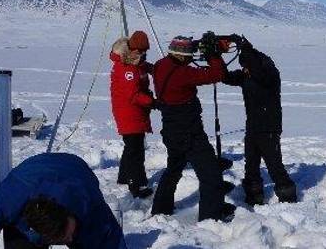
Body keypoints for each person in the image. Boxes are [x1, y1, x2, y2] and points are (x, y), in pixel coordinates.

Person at [150, 34, 236, 221]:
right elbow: (217, 75)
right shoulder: (183, 73)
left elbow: (183, 62)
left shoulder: (160, 65)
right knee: (210, 173)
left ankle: (160, 209)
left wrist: (197, 46)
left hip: (171, 130)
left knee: (173, 170)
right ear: (181, 55)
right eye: (189, 54)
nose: (191, 58)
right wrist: (213, 55)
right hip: (189, 133)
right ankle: (211, 217)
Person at [0, 153, 125, 249]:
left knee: (88, 240)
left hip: (74, 169)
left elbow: (110, 239)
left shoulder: (88, 204)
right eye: (64, 238)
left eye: (70, 234)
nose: (69, 241)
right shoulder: (9, 199)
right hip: (31, 173)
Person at [221, 39, 298, 206]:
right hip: (253, 126)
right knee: (251, 165)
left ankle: (289, 199)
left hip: (269, 127)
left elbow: (259, 74)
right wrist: (215, 56)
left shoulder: (269, 73)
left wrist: (248, 51)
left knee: (274, 165)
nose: (244, 70)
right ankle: (253, 198)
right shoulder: (248, 74)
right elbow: (225, 76)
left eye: (246, 65)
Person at [108, 31, 155, 198]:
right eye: (141, 52)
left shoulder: (135, 62)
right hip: (128, 112)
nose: (143, 55)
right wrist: (153, 102)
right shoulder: (126, 68)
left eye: (145, 52)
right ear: (132, 49)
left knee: (131, 147)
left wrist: (157, 69)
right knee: (135, 150)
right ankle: (136, 184)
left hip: (132, 111)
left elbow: (145, 67)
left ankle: (124, 177)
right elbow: (133, 95)